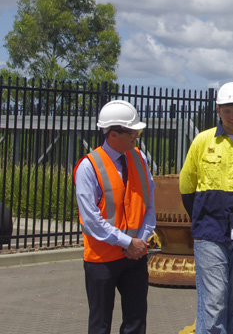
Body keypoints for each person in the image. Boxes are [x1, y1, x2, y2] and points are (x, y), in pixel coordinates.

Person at [179, 81, 233, 334]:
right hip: (209, 233)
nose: (232, 116)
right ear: (218, 110)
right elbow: (187, 187)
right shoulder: (202, 141)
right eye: (227, 110)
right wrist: (202, 217)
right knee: (215, 300)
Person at [74, 100, 156, 334]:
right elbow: (91, 220)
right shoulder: (88, 167)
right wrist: (128, 242)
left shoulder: (139, 158)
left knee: (136, 321)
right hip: (102, 259)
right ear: (112, 135)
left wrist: (140, 241)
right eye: (132, 132)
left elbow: (149, 204)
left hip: (136, 255)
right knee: (100, 324)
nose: (136, 137)